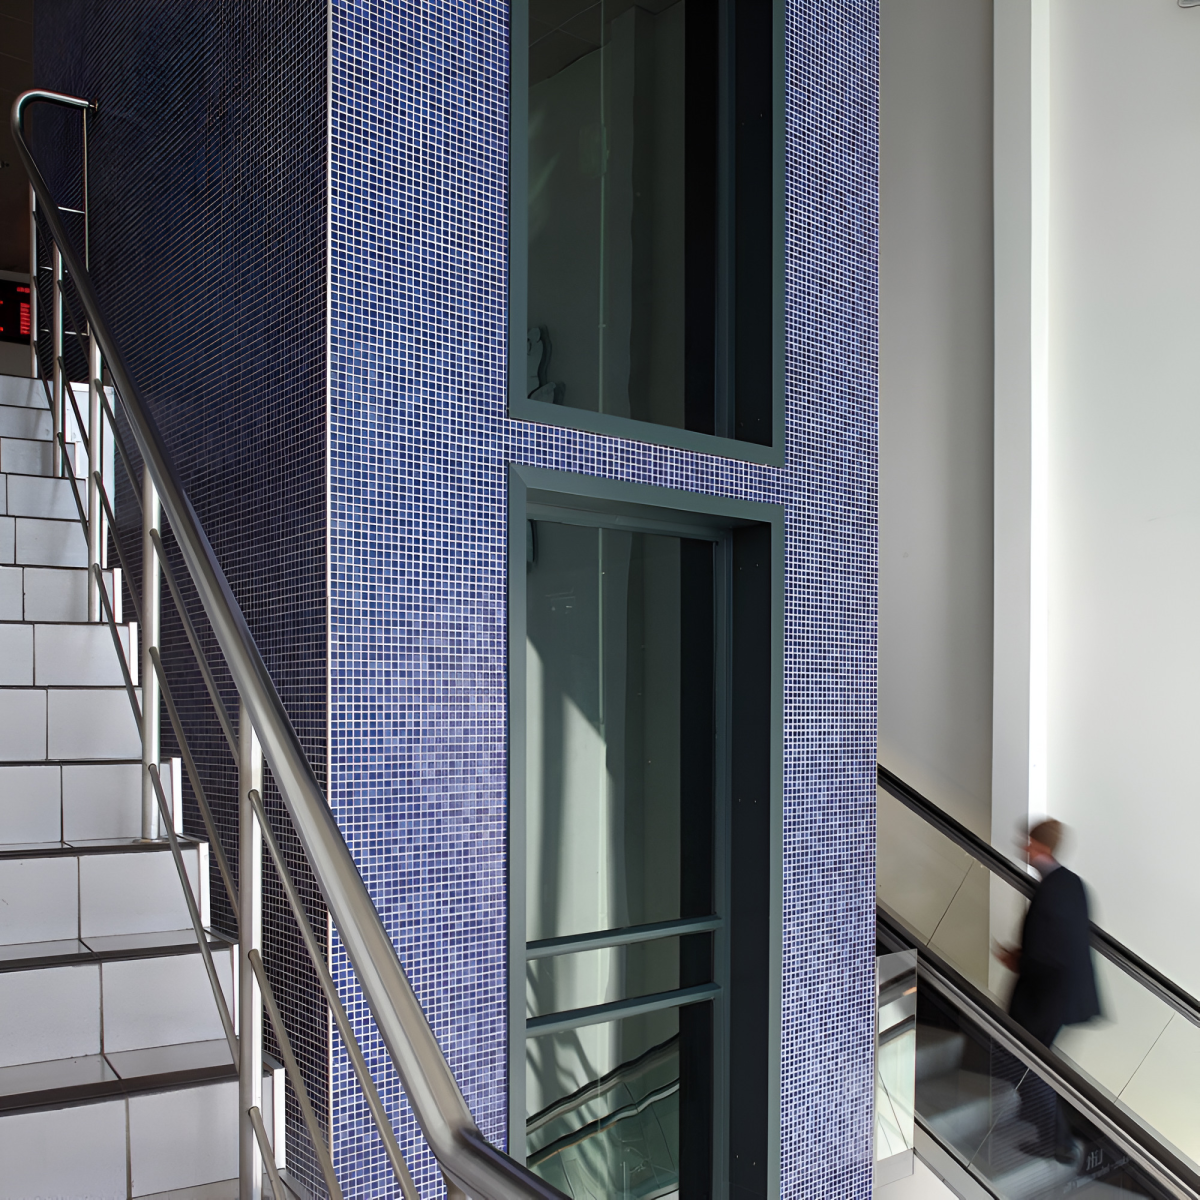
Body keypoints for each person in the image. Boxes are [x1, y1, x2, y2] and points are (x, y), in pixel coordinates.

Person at [995, 819, 1100, 1163]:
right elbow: (1065, 940)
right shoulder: (1072, 883)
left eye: (1027, 842)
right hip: (1064, 998)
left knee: (1023, 1065)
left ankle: (1058, 1142)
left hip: (1044, 1000)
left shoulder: (1051, 890)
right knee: (1031, 1064)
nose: (1024, 847)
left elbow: (1045, 954)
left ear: (1039, 846)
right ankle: (1051, 1132)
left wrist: (1017, 959)